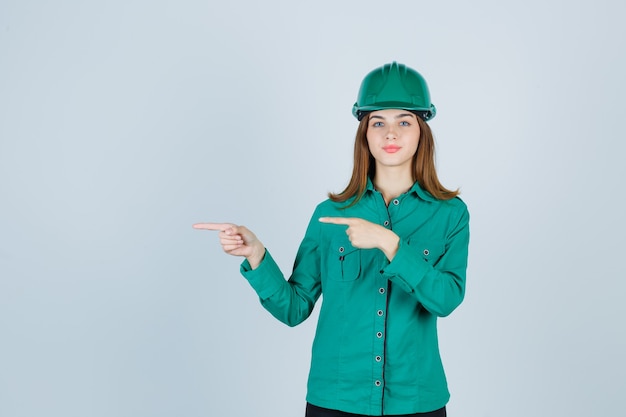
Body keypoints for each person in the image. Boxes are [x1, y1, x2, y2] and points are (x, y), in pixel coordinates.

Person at [194, 61, 470, 417]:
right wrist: (258, 255)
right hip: (336, 403)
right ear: (364, 133)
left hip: (416, 402)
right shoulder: (330, 215)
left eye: (404, 121)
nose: (391, 134)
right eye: (378, 123)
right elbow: (294, 308)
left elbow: (446, 300)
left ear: (422, 131)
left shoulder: (450, 214)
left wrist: (391, 244)